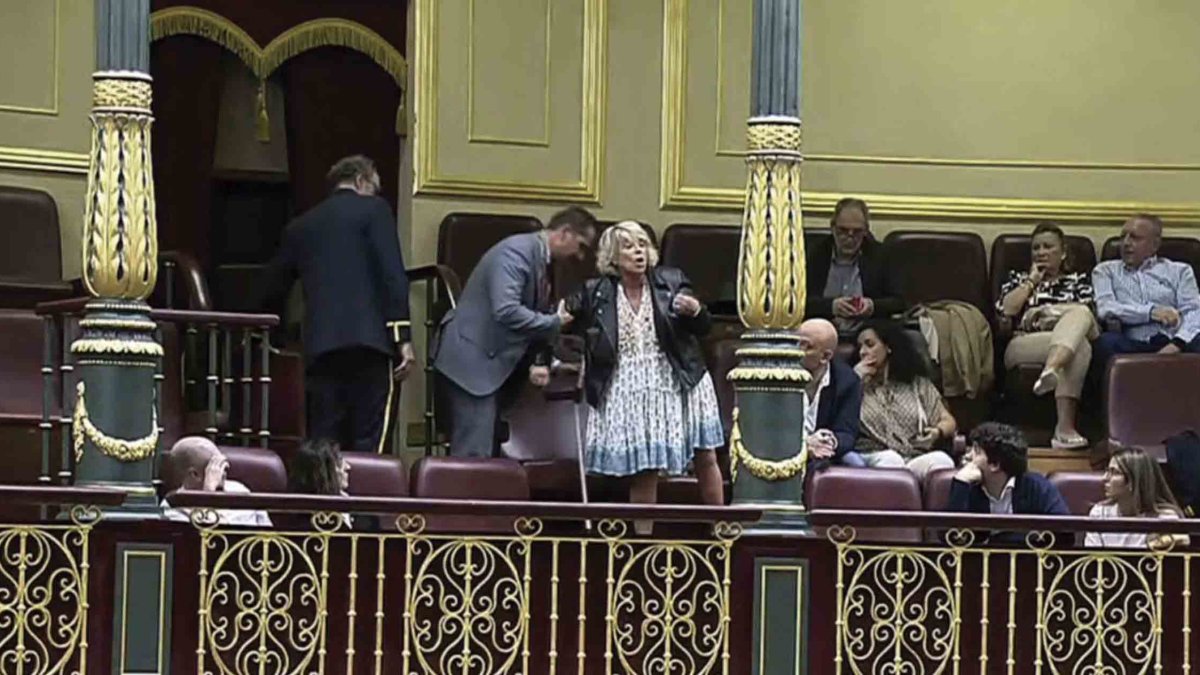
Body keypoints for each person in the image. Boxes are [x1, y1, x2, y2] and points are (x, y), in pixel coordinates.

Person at [563, 221, 725, 527]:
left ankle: (721, 530)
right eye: (628, 246)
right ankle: (642, 547)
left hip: (679, 377)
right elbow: (558, 325)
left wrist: (696, 311)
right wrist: (556, 360)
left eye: (641, 245)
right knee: (644, 467)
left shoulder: (671, 281)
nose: (637, 252)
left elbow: (705, 327)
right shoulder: (595, 292)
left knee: (706, 456)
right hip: (630, 382)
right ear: (612, 256)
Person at [260, 155, 414, 455]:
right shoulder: (375, 210)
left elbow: (273, 287)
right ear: (361, 181)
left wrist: (271, 337)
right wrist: (403, 339)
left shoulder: (301, 226)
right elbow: (392, 277)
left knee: (324, 442)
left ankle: (325, 500)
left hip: (320, 348)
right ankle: (365, 501)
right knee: (370, 443)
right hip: (371, 346)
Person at [435, 206, 597, 457]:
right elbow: (507, 311)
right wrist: (555, 321)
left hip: (492, 365)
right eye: (581, 245)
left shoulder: (542, 259)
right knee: (472, 455)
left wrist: (550, 361)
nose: (580, 256)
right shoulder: (516, 253)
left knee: (486, 450)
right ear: (564, 233)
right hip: (473, 365)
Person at [995, 222, 1097, 449]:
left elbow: (1089, 315)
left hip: (1068, 335)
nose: (1041, 252)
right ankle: (1064, 429)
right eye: (1036, 248)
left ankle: (1051, 369)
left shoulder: (1079, 281)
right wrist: (1031, 282)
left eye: (1048, 247)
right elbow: (1007, 310)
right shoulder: (1017, 280)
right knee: (1079, 343)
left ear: (1063, 253)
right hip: (1026, 343)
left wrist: (1046, 313)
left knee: (1080, 323)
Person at [850, 320, 957, 480]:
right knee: (891, 460)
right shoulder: (852, 385)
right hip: (872, 456)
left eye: (870, 345)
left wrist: (937, 432)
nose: (863, 352)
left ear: (888, 347)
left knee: (942, 461)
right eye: (860, 347)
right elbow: (835, 418)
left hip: (913, 456)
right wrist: (853, 380)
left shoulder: (918, 384)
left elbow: (948, 421)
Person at [1092, 213, 1200, 365]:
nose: (1126, 243)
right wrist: (1150, 313)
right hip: (1132, 343)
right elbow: (1106, 308)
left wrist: (1178, 343)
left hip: (1176, 342)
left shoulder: (1180, 271)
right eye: (1123, 237)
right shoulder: (1106, 270)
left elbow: (1194, 311)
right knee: (1105, 343)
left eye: (1135, 238)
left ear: (1154, 245)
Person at [804, 198, 904, 334]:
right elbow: (798, 303)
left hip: (867, 331)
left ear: (866, 232)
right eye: (843, 231)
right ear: (832, 228)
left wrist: (871, 306)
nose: (849, 238)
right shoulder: (814, 254)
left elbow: (899, 302)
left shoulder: (880, 255)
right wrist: (831, 306)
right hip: (822, 330)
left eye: (857, 232)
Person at [947, 422, 1069, 516]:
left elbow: (1065, 534)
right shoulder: (966, 486)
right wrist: (960, 484)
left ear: (994, 465)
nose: (968, 456)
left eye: (977, 451)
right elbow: (948, 536)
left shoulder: (1037, 487)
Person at [1085, 447, 1188, 550]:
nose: (1104, 478)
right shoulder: (1100, 513)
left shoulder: (1164, 518)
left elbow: (1183, 541)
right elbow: (1092, 559)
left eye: (1115, 472)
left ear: (1134, 481)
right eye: (1107, 471)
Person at [161, 437, 272, 527]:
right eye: (216, 467)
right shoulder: (173, 506)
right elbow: (206, 543)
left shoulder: (241, 491)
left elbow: (269, 536)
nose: (224, 472)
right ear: (195, 474)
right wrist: (209, 495)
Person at [795, 318, 863, 466]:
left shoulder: (847, 381)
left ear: (825, 357)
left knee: (855, 462)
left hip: (823, 455)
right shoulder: (780, 373)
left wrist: (829, 442)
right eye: (797, 343)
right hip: (786, 450)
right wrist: (805, 445)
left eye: (807, 347)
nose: (798, 351)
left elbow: (847, 433)